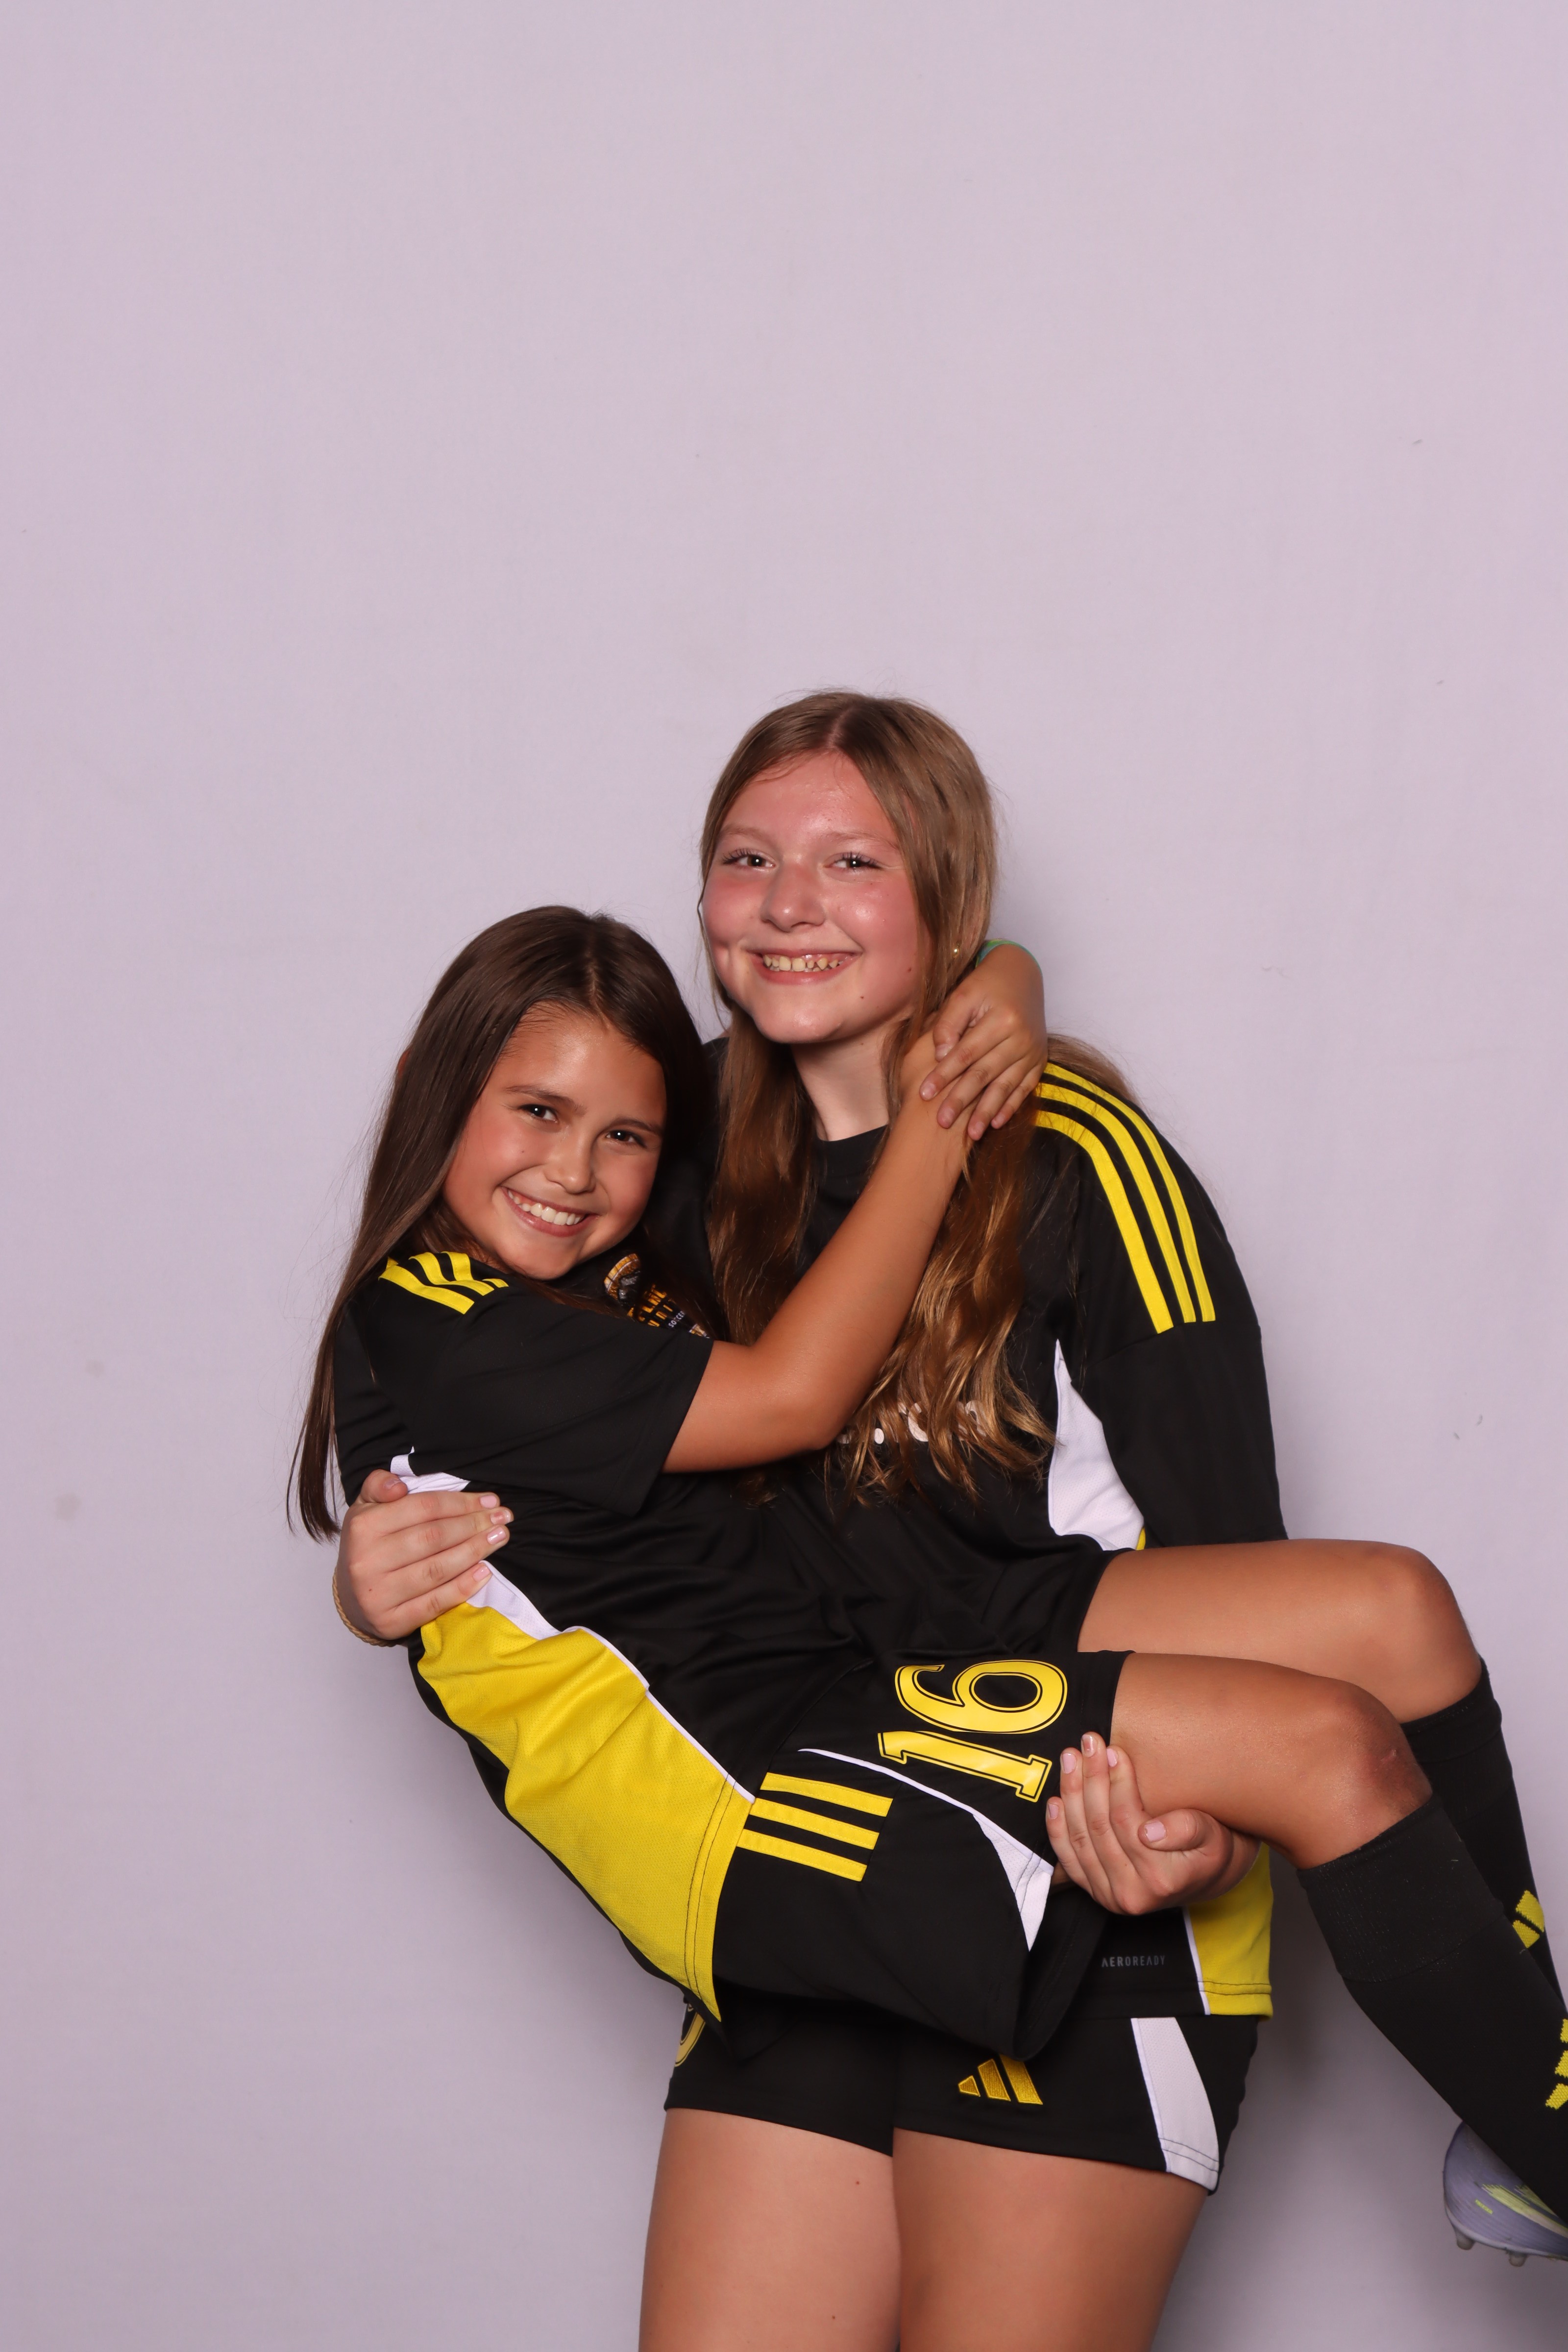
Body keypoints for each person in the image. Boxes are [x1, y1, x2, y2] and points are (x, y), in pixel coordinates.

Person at [305, 900, 1568, 2351]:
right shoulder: (433, 1306)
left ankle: (1531, 2112)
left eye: (623, 1136)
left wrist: (1008, 981)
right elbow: (788, 1398)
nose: (574, 1169)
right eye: (535, 1112)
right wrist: (943, 1111)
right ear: (431, 1083)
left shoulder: (637, 1239)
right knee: (1322, 1747)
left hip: (871, 1671)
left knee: (1387, 1615)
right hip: (764, 1780)